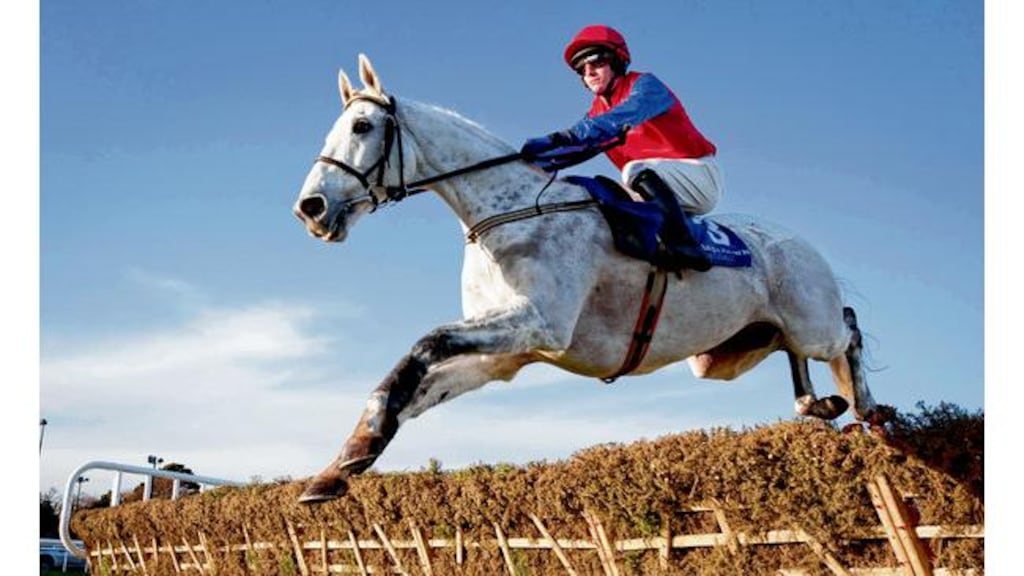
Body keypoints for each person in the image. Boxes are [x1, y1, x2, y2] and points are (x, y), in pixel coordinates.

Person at [521, 24, 722, 271]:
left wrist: (566, 136)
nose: (589, 72)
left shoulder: (646, 85)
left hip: (697, 175)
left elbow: (616, 119)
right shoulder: (596, 113)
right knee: (594, 190)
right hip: (659, 186)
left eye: (596, 62)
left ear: (617, 61)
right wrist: (528, 164)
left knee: (632, 170)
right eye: (581, 70)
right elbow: (576, 148)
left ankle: (685, 248)